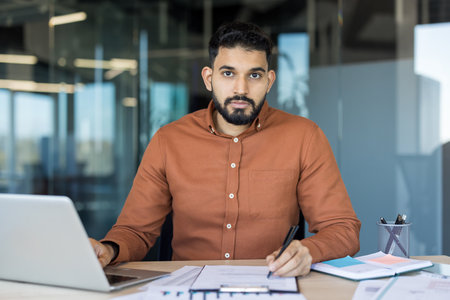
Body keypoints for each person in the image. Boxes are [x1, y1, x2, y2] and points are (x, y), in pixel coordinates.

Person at [90, 21, 361, 277]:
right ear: (208, 78)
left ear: (269, 80)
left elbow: (343, 229)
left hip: (270, 285)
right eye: (228, 73)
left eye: (254, 75)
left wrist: (308, 252)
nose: (240, 89)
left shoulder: (305, 137)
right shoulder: (168, 141)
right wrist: (109, 249)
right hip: (187, 288)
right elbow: (135, 230)